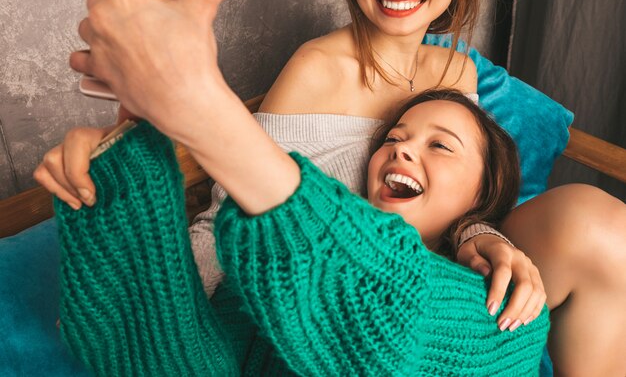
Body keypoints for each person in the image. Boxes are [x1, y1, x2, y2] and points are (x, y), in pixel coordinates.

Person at [35, 0, 626, 374]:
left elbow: (457, 203)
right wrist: (126, 196)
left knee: (523, 307)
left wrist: (482, 232)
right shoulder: (317, 69)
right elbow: (238, 232)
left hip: (402, 277)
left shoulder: (456, 72)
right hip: (297, 282)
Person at [55, 79, 551, 375]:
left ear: (481, 195)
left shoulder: (510, 316)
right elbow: (167, 362)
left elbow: (390, 303)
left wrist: (201, 104)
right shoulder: (256, 282)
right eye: (396, 138)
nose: (402, 149)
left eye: (440, 146)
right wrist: (118, 178)